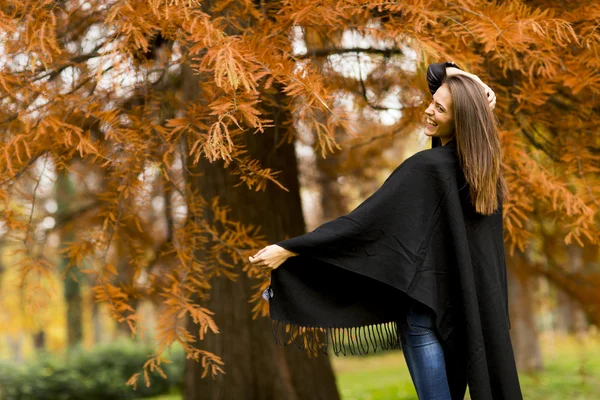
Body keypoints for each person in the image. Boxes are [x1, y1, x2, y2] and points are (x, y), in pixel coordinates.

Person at [249, 62, 522, 400]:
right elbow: (439, 72)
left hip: (424, 317)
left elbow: (362, 226)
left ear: (461, 119)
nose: (428, 110)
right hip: (464, 316)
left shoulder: (427, 169)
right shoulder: (483, 173)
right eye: (432, 101)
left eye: (439, 108)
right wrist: (477, 85)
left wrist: (291, 249)